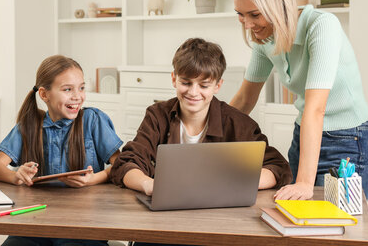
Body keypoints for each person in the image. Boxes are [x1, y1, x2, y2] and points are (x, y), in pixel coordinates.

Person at [229, 0, 368, 200]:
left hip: (348, 141)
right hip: (304, 137)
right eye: (240, 14)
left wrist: (304, 183)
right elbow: (245, 99)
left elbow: (316, 108)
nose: (248, 24)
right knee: (300, 226)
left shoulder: (321, 26)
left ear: (279, 6)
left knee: (337, 231)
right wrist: (207, 141)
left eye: (254, 14)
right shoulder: (264, 39)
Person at [110, 38, 292, 199]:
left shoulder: (238, 122)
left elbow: (277, 167)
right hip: (165, 209)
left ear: (217, 85)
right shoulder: (157, 116)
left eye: (204, 85)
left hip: (220, 214)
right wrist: (148, 185)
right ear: (174, 79)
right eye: (185, 83)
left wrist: (236, 183)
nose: (193, 92)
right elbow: (127, 162)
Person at [0, 55, 123, 246]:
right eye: (68, 89)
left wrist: (94, 179)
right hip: (35, 225)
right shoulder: (29, 126)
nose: (77, 96)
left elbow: (121, 165)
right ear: (44, 94)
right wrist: (17, 176)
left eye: (81, 88)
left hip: (83, 226)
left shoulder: (93, 120)